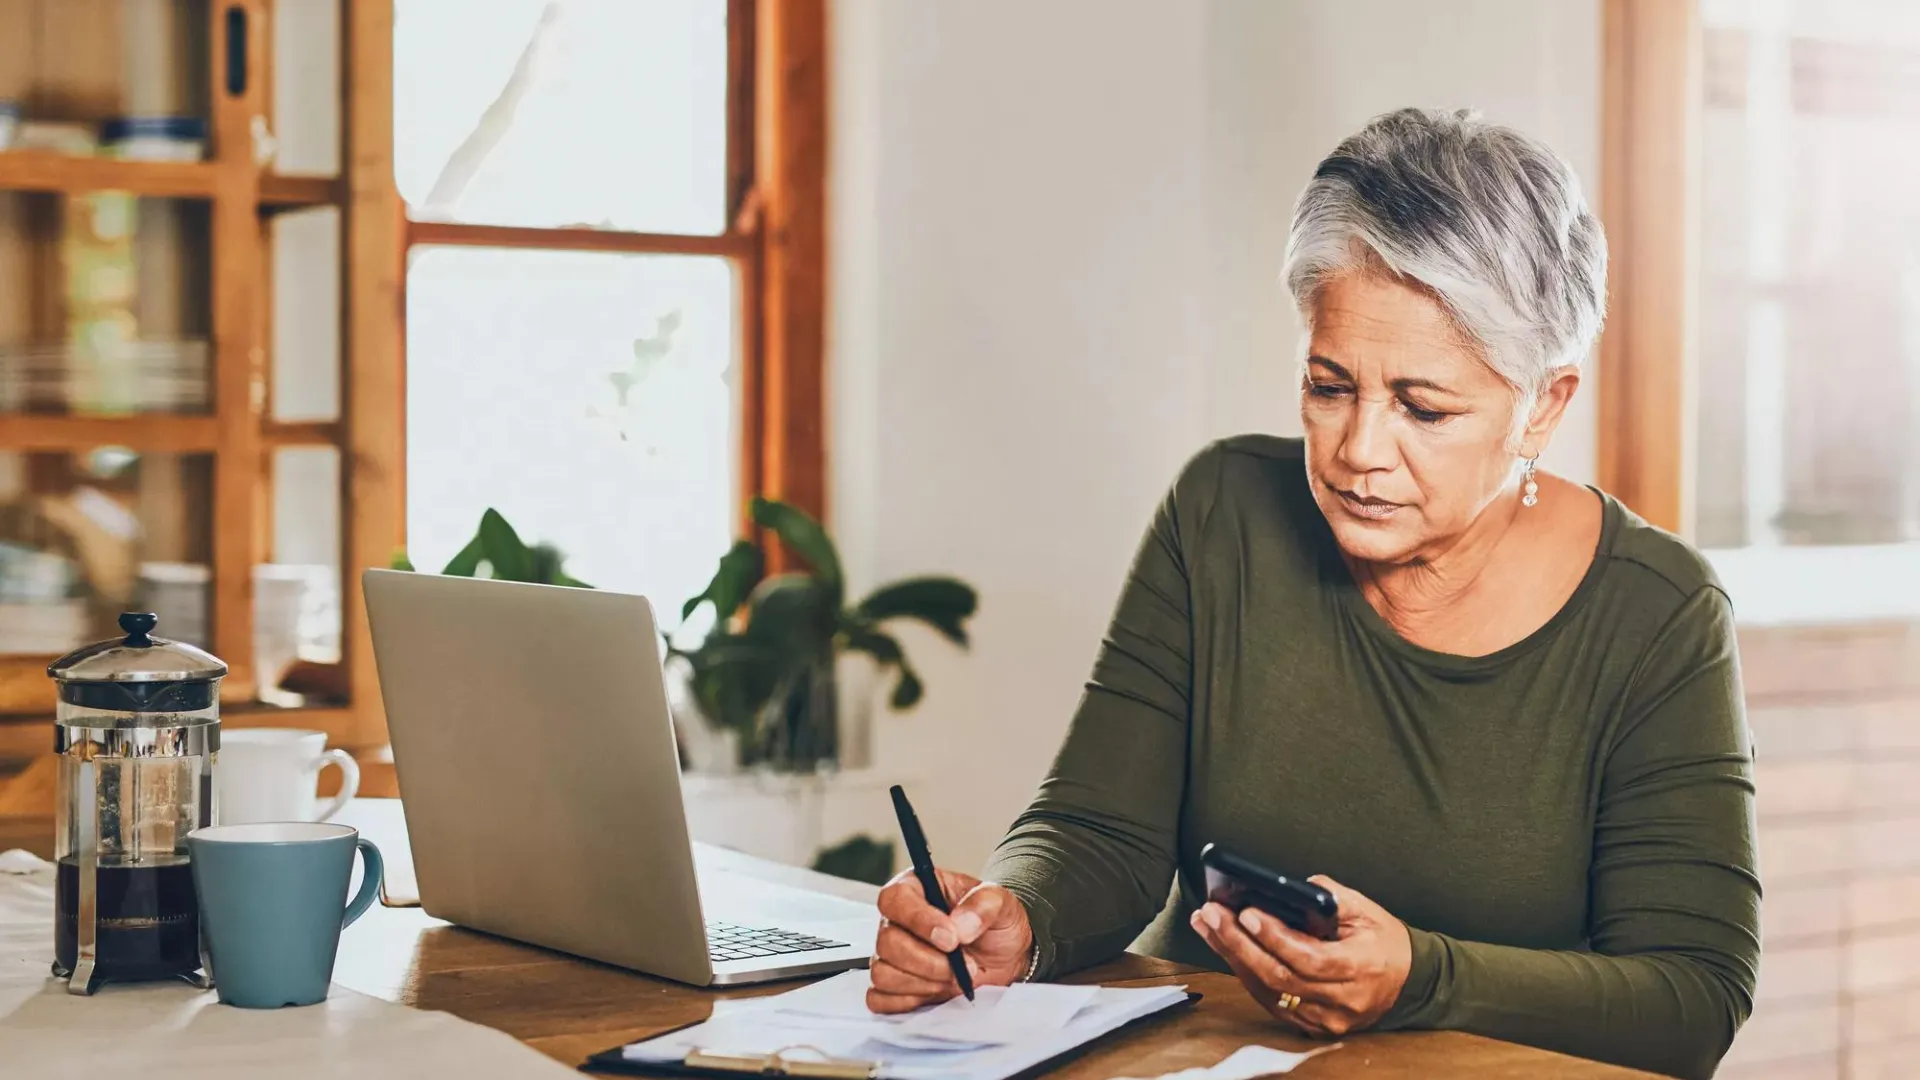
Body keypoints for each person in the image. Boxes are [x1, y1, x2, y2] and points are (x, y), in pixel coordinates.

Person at [865, 108, 1759, 1080]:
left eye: (1424, 407)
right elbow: (1097, 830)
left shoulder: (1658, 613)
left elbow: (1692, 996)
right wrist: (1018, 920)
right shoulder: (1223, 512)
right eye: (1330, 388)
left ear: (1543, 403)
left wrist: (1422, 977)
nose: (1360, 452)